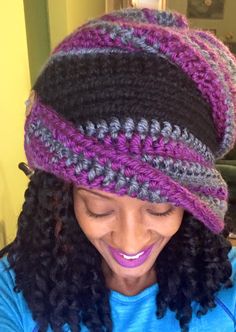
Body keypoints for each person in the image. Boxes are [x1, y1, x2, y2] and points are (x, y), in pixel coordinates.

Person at [0, 7, 236, 332]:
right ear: (63, 195)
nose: (129, 242)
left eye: (159, 208)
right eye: (98, 209)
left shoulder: (229, 287)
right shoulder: (14, 291)